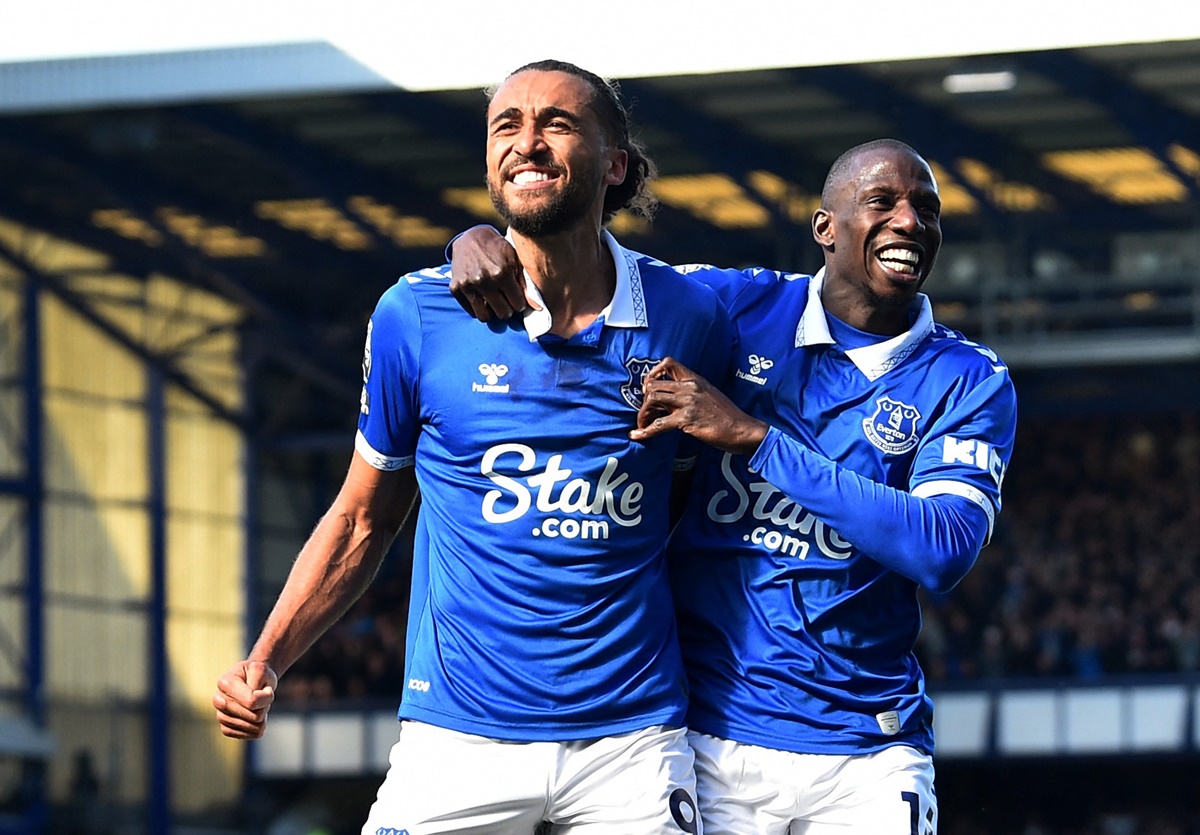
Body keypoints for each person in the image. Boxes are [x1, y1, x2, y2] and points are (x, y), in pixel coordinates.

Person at [213, 58, 733, 835]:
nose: (528, 142)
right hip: (457, 739)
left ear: (615, 163)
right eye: (506, 126)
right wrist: (267, 659)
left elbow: (694, 507)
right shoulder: (415, 315)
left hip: (632, 742)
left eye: (556, 123)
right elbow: (364, 518)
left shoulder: (691, 315)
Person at [448, 138, 1017, 834]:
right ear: (825, 228)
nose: (909, 221)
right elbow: (584, 275)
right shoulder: (733, 303)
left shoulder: (967, 376)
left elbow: (944, 546)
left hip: (867, 747)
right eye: (883, 202)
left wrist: (754, 437)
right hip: (709, 733)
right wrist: (480, 239)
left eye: (927, 210)